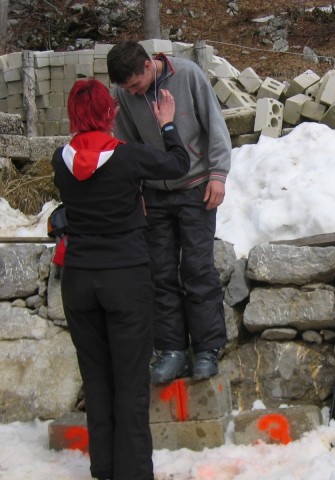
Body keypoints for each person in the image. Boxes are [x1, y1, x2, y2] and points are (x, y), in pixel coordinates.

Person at [52, 79, 190, 480]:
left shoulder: (59, 160)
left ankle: (105, 469)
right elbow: (179, 165)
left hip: (78, 280)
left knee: (97, 380)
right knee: (130, 382)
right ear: (109, 113)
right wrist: (166, 124)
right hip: (125, 279)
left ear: (74, 115)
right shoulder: (127, 157)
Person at [107, 41, 233, 384]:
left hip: (197, 188)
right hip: (155, 195)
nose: (131, 92)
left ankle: (206, 349)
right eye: (125, 89)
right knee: (159, 273)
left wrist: (218, 175)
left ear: (148, 66)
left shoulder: (189, 75)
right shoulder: (125, 97)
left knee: (197, 269)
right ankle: (171, 350)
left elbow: (216, 127)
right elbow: (129, 146)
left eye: (134, 84)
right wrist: (138, 191)